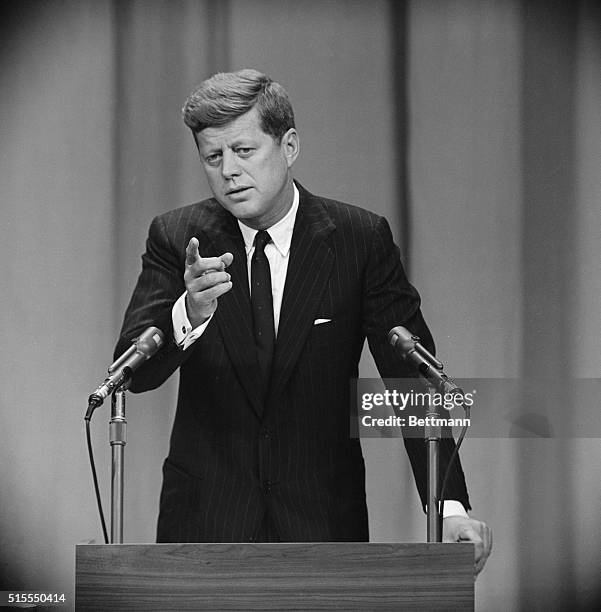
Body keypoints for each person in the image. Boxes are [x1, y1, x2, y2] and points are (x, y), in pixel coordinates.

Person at [115, 69, 491, 573]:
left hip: (323, 526)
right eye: (213, 156)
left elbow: (413, 380)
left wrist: (448, 507)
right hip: (204, 528)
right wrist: (189, 313)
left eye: (244, 151)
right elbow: (131, 370)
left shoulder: (358, 240)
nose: (228, 170)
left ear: (288, 145)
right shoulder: (179, 237)